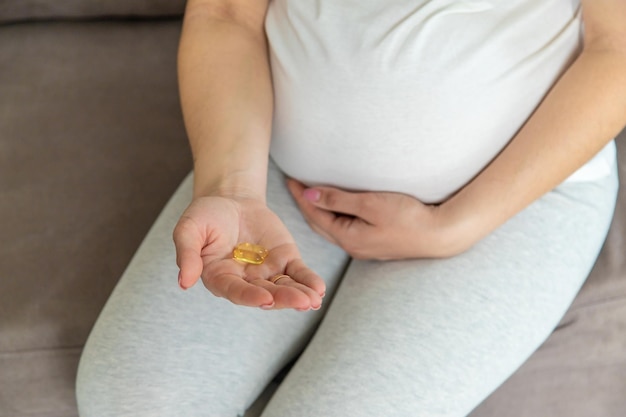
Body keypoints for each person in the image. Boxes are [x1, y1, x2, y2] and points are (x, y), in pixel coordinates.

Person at [76, 0, 626, 416]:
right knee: (130, 398)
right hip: (275, 171)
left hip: (505, 199)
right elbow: (226, 15)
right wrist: (233, 188)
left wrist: (456, 226)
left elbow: (617, 46)